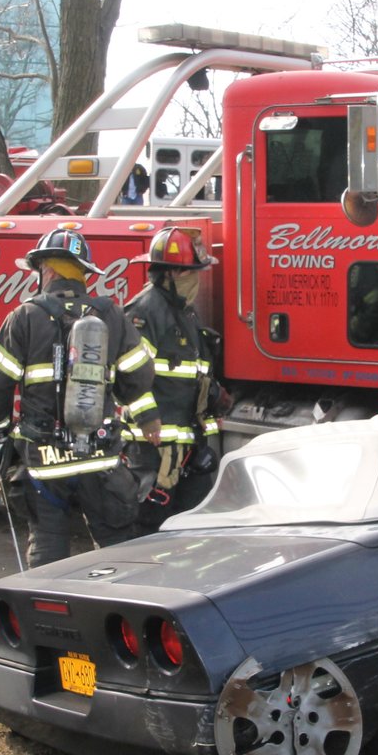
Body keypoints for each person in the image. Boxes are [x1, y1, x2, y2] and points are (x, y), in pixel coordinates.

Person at [0, 229, 161, 566]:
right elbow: (139, 375)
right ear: (84, 273)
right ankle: (116, 611)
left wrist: (0, 434)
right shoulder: (110, 314)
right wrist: (130, 405)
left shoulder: (24, 318)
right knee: (116, 550)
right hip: (101, 459)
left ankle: (50, 614)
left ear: (45, 270)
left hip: (45, 463)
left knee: (48, 550)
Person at [125, 226, 230, 530]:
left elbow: (191, 373)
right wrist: (147, 419)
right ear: (169, 273)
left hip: (188, 445)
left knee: (189, 529)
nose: (195, 279)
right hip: (154, 450)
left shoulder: (186, 312)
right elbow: (127, 372)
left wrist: (215, 398)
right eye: (189, 272)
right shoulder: (145, 311)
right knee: (150, 530)